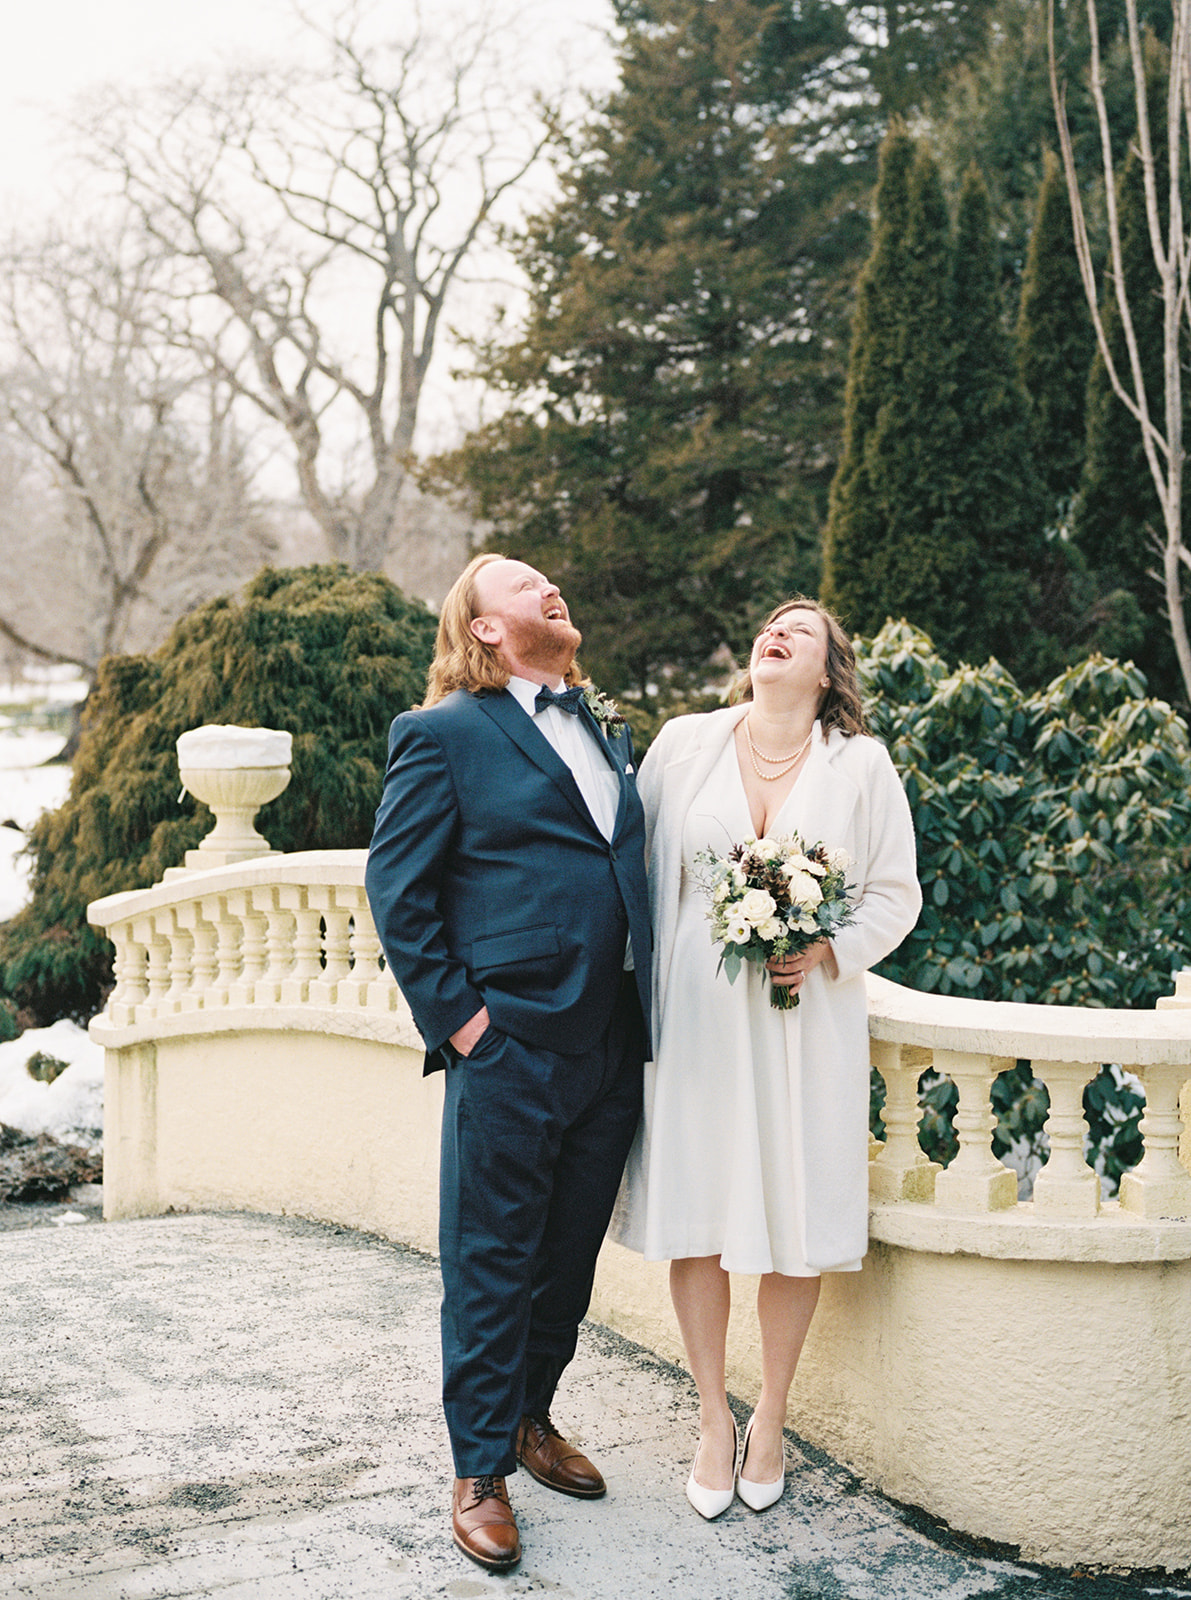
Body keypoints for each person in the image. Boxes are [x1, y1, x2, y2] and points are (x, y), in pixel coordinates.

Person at [365, 553, 651, 1573]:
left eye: (549, 580)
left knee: (567, 1258)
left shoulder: (606, 727)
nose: (549, 587)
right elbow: (397, 889)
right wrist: (466, 1027)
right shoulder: (441, 733)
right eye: (524, 583)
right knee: (491, 1260)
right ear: (484, 627)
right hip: (512, 1042)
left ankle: (533, 1418)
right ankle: (478, 1470)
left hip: (614, 1039)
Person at [611, 597, 920, 1519]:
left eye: (801, 629)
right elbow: (634, 874)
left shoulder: (859, 765)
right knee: (698, 1216)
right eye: (771, 625)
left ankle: (771, 1417)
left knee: (794, 1212)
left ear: (827, 671)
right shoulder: (683, 744)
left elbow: (894, 894)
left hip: (803, 1022)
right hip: (696, 1024)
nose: (776, 633)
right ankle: (712, 1418)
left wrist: (827, 948)